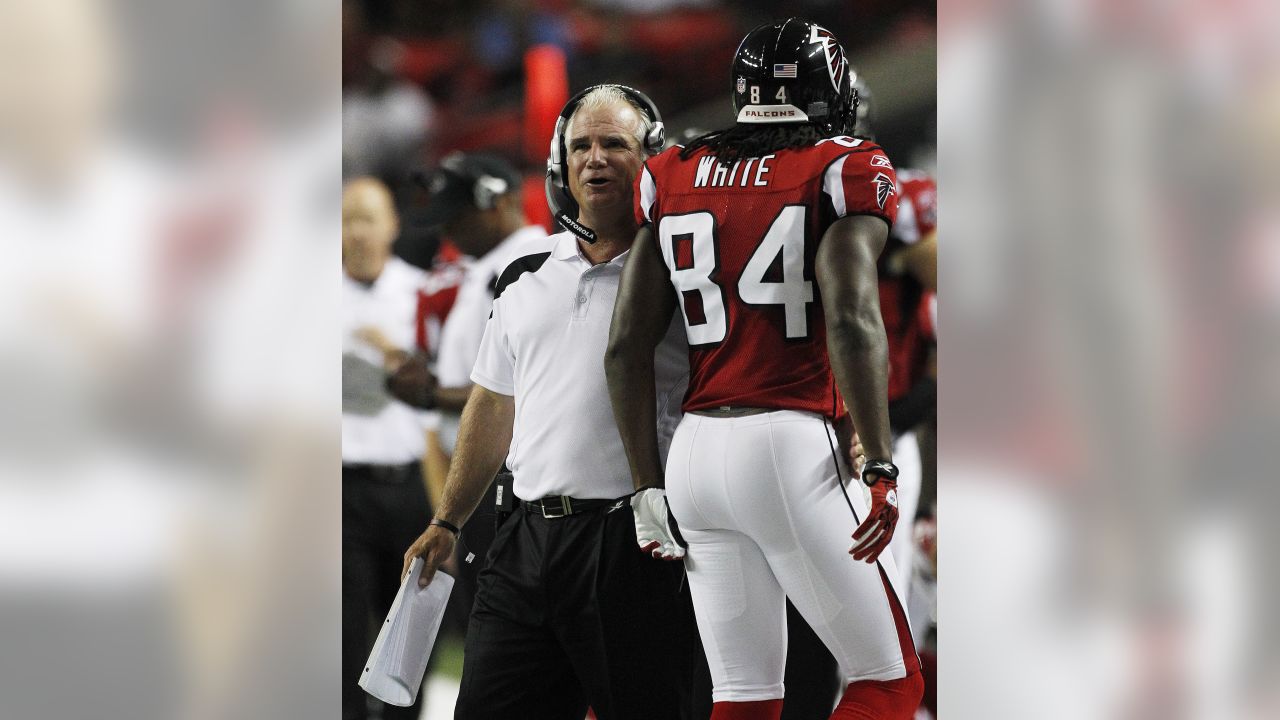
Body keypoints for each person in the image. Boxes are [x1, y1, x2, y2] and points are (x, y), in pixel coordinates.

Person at [605, 18, 922, 720]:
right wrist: (878, 461)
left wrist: (644, 485)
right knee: (889, 680)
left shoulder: (675, 169)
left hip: (691, 455)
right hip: (789, 443)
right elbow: (850, 316)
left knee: (744, 698)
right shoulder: (845, 165)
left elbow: (626, 343)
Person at [402, 84, 707, 720]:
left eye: (614, 144)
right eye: (581, 146)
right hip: (523, 538)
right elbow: (491, 405)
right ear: (559, 167)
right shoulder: (523, 278)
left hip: (634, 537)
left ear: (652, 156)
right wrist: (449, 519)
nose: (595, 158)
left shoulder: (688, 273)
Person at [340, 177, 436, 720]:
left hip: (406, 483)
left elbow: (453, 383)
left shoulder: (422, 292)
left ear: (393, 224)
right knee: (343, 633)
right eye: (348, 217)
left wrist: (395, 353)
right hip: (338, 485)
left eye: (368, 217)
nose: (357, 230)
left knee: (407, 628)